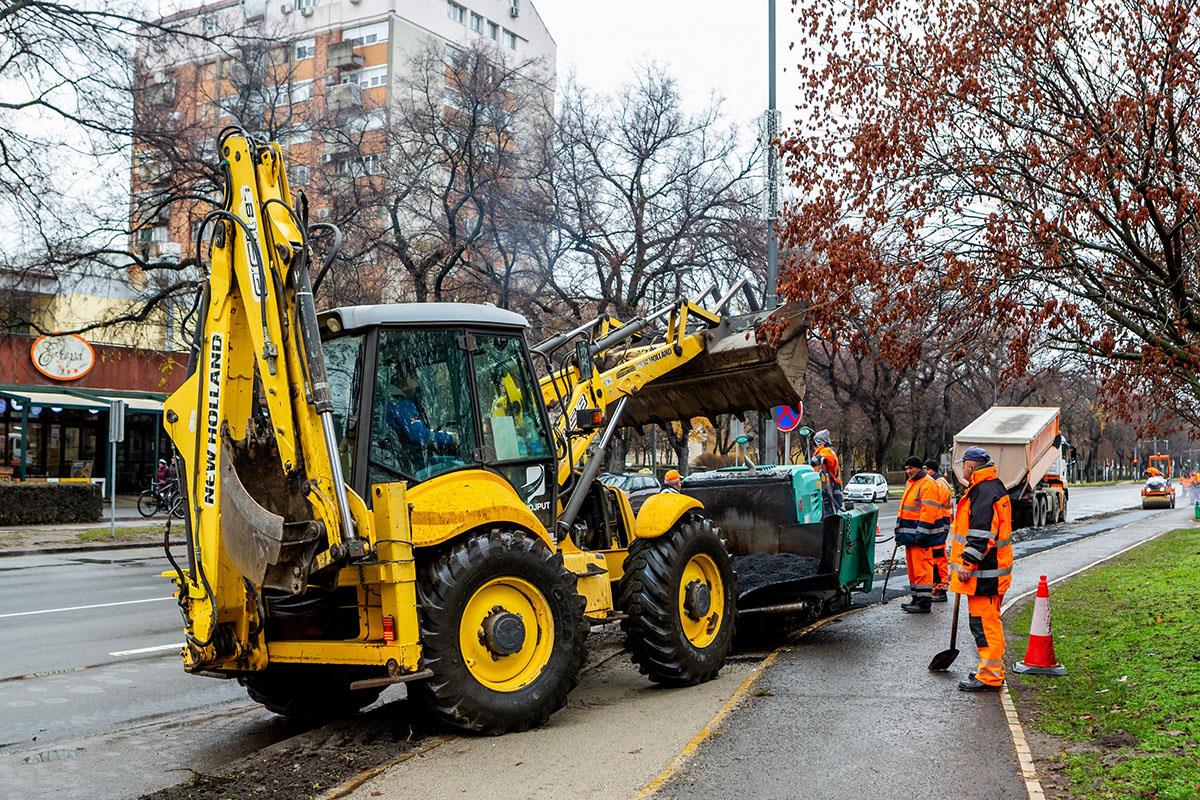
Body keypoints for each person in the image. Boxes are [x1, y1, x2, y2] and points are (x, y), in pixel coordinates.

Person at [950, 446, 1014, 692]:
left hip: (984, 575)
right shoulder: (993, 487)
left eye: (964, 464)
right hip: (992, 573)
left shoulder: (983, 492)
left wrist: (967, 564)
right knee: (989, 624)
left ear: (971, 466)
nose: (962, 469)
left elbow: (980, 535)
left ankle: (989, 675)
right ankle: (991, 670)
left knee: (984, 625)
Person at [895, 456, 952, 613]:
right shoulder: (913, 483)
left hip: (920, 535)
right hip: (911, 534)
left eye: (910, 468)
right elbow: (905, 509)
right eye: (906, 468)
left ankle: (924, 601)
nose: (908, 471)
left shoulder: (928, 483)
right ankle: (917, 598)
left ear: (918, 468)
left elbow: (929, 511)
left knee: (923, 568)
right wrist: (899, 531)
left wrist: (922, 533)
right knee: (914, 569)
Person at [386, 369, 454, 451]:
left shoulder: (387, 398)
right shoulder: (401, 404)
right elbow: (420, 435)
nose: (417, 386)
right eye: (414, 378)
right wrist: (452, 439)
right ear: (403, 380)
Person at [924, 458, 954, 602]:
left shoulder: (939, 484)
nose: (925, 472)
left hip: (939, 525)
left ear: (933, 470)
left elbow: (933, 505)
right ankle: (937, 586)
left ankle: (940, 587)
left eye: (927, 469)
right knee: (936, 557)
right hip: (939, 524)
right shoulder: (938, 483)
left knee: (938, 558)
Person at [810, 429, 843, 514]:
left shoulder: (828, 451)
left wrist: (806, 465)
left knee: (831, 514)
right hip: (825, 488)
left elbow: (816, 461)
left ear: (818, 442)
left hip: (832, 488)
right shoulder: (823, 452)